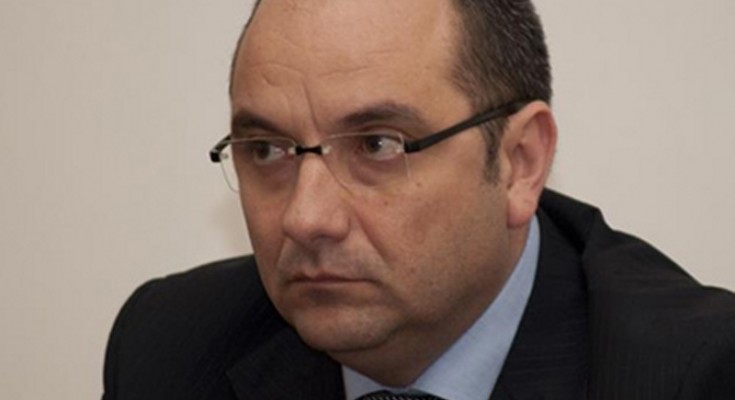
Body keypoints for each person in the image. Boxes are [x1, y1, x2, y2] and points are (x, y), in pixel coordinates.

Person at [102, 0, 735, 399]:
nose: (306, 218)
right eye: (267, 150)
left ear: (520, 162)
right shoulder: (169, 347)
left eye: (378, 145)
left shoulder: (695, 374)